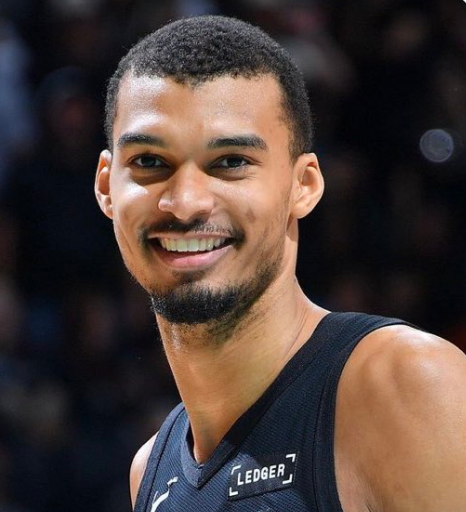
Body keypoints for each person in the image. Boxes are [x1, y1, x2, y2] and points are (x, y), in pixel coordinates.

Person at [94, 15, 466, 512]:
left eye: (231, 162)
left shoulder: (406, 384)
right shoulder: (150, 470)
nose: (184, 203)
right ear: (106, 186)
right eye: (148, 161)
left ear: (303, 185)